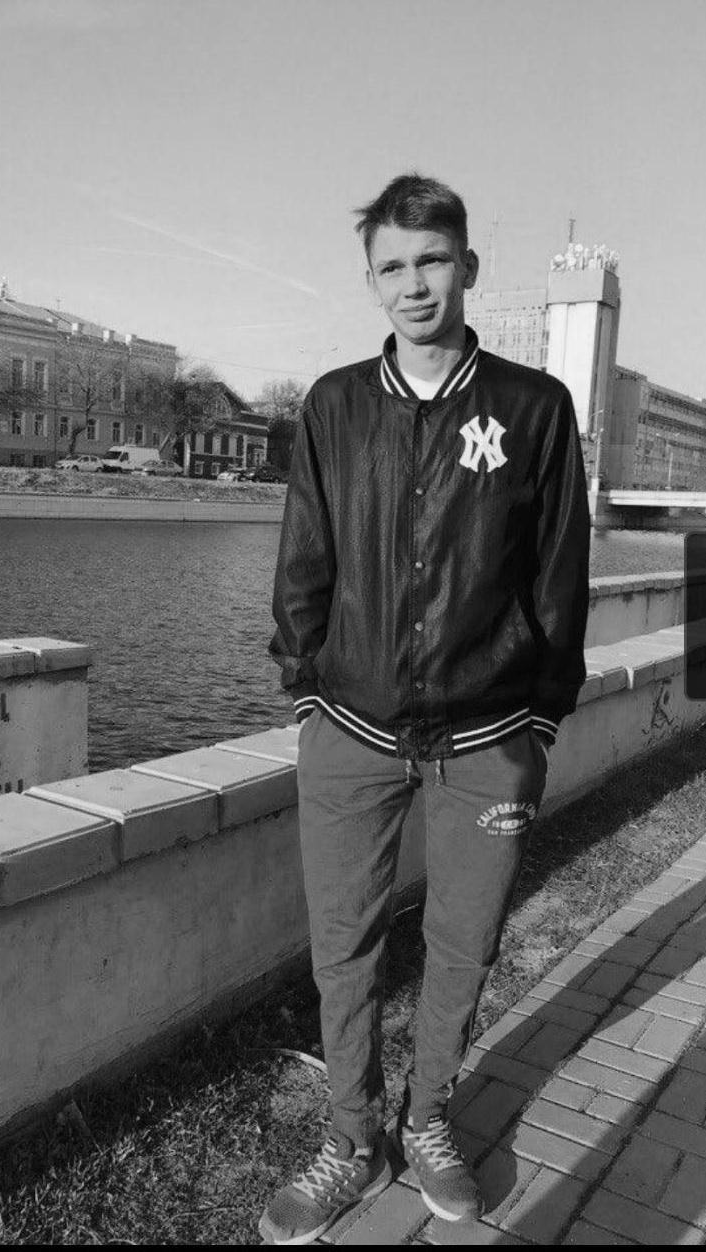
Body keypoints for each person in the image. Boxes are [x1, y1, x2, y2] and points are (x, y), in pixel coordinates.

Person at [260, 174, 590, 1244]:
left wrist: (541, 715)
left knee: (462, 945)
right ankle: (351, 1137)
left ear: (467, 267)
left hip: (488, 737)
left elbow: (558, 572)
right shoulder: (334, 404)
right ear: (371, 281)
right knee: (343, 949)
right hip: (350, 731)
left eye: (432, 260)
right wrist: (305, 685)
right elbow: (304, 559)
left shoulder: (535, 408)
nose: (414, 284)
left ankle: (428, 1114)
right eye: (392, 266)